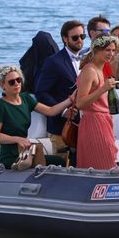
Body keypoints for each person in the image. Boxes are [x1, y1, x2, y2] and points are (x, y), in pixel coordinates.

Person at [0, 65, 74, 169]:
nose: (16, 84)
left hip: (26, 152)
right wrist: (17, 139)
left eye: (18, 80)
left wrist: (70, 100)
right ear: (3, 85)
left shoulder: (26, 98)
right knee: (42, 164)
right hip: (10, 156)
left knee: (59, 161)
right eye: (12, 82)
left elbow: (50, 111)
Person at [35, 20, 85, 160]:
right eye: (75, 37)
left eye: (82, 36)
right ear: (65, 38)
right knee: (63, 164)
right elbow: (41, 92)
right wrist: (62, 111)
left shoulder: (87, 59)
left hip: (84, 124)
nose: (79, 40)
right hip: (60, 127)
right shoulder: (53, 62)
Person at [75, 33, 119, 169]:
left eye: (113, 50)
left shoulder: (101, 69)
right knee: (104, 163)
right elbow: (80, 103)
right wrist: (103, 89)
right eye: (107, 50)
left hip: (103, 120)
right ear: (96, 50)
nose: (111, 53)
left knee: (108, 160)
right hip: (93, 122)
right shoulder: (90, 71)